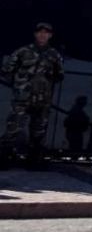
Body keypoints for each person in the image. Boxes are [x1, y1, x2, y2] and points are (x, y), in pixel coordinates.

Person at [0, 22, 64, 168]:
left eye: (46, 33)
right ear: (35, 34)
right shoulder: (23, 51)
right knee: (13, 128)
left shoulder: (54, 55)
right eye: (40, 32)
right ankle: (4, 159)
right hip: (22, 98)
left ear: (50, 36)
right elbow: (6, 70)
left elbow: (60, 75)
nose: (43, 35)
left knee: (38, 132)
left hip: (43, 99)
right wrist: (19, 85)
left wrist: (49, 77)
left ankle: (34, 161)